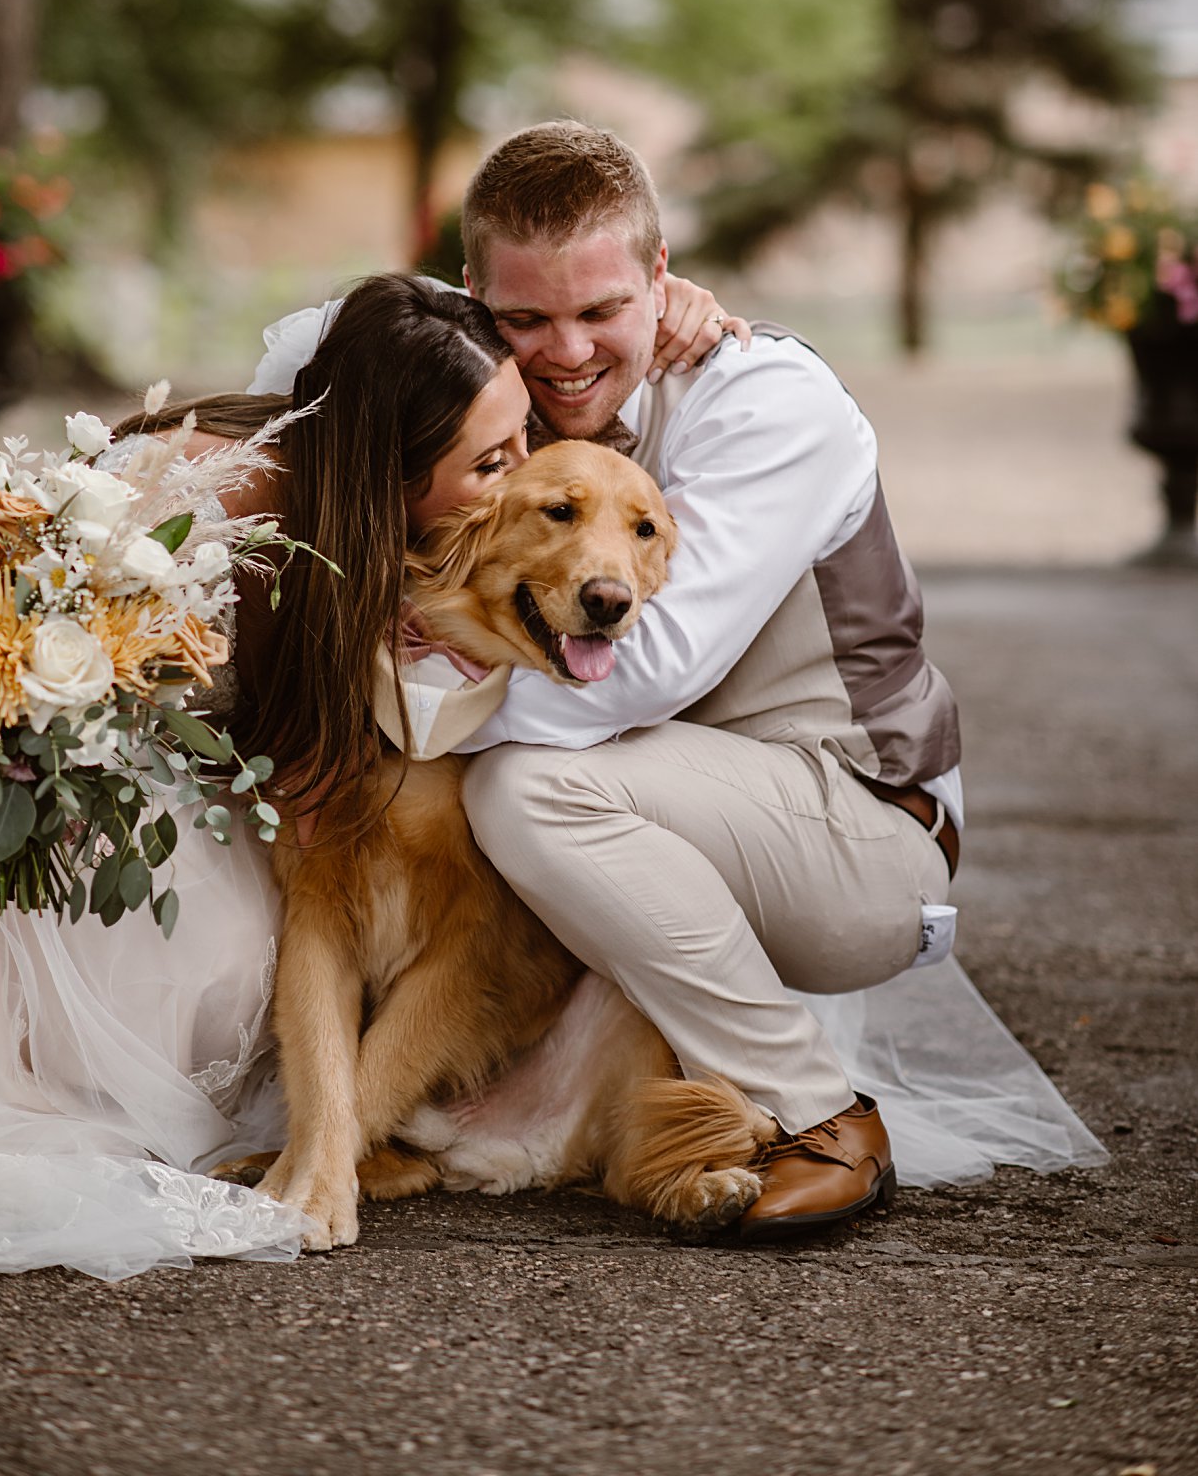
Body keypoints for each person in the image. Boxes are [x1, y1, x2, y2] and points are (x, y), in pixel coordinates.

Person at [255, 124, 1107, 1233]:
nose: (563, 351)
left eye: (603, 308)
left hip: (853, 825)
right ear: (472, 297)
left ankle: (820, 1111)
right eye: (526, 317)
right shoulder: (507, 380)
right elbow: (317, 352)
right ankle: (391, 1123)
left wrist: (357, 707)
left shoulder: (763, 402)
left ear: (663, 279)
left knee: (523, 786)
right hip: (668, 817)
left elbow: (626, 675)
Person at [0, 270, 736, 1281]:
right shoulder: (207, 493)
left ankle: (342, 1137)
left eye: (520, 438)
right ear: (398, 466)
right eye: (493, 458)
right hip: (64, 792)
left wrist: (675, 311)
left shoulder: (407, 532)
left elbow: (457, 311)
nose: (518, 476)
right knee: (232, 947)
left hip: (210, 780)